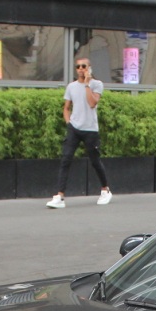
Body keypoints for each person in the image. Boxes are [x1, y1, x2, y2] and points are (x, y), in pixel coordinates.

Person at [46, 57, 112, 209]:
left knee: (95, 161)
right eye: (78, 67)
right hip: (74, 128)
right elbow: (66, 107)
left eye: (84, 66)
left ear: (89, 68)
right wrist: (69, 123)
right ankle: (60, 196)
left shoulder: (97, 84)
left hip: (90, 130)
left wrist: (88, 84)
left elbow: (92, 103)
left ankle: (105, 190)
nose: (81, 69)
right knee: (66, 159)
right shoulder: (71, 86)